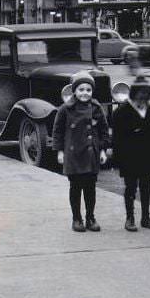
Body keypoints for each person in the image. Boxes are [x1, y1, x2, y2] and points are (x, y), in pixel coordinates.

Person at [53, 70, 110, 232]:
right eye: (81, 90)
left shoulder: (96, 107)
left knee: (90, 188)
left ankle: (90, 217)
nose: (85, 93)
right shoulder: (65, 109)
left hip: (91, 154)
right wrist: (60, 152)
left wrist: (103, 150)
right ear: (74, 91)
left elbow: (104, 130)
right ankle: (76, 218)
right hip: (73, 155)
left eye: (88, 90)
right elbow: (57, 132)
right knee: (76, 187)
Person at [111, 75, 150, 232]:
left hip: (147, 157)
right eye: (139, 97)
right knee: (130, 188)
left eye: (145, 98)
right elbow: (116, 139)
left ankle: (146, 217)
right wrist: (117, 160)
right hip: (129, 158)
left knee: (146, 187)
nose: (141, 102)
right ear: (133, 96)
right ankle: (130, 218)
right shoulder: (121, 112)